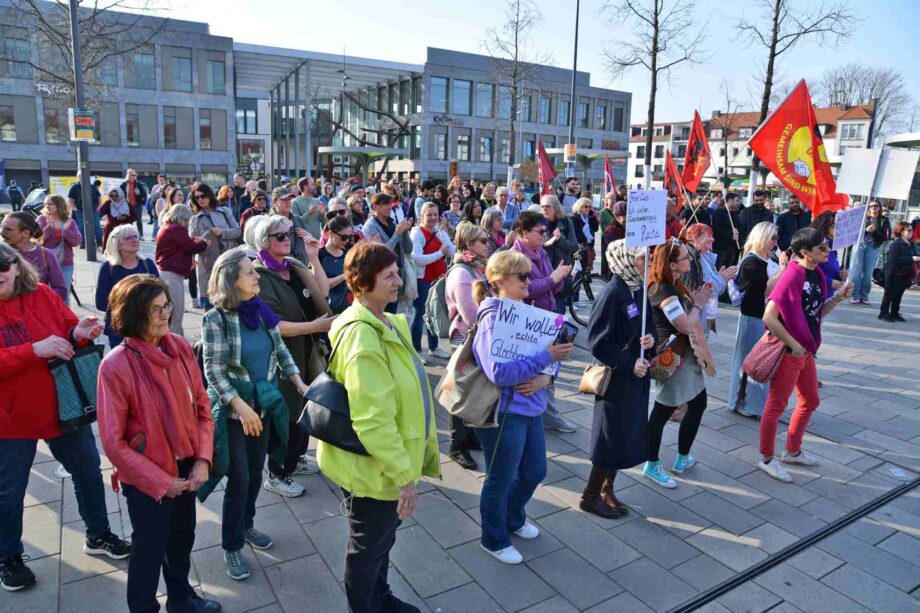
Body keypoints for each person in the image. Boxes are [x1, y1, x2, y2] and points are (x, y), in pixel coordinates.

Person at [0, 243, 131, 592]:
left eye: (2, 270)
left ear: (15, 265)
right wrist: (32, 351)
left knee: (88, 470)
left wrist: (80, 331)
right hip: (10, 419)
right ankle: (7, 556)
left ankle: (98, 534)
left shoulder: (41, 293)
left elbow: (68, 325)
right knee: (9, 491)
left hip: (64, 406)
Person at [319, 241, 439, 612]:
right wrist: (404, 475)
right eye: (387, 276)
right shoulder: (362, 334)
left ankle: (380, 597)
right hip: (376, 469)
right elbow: (372, 418)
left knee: (381, 540)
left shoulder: (385, 321)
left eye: (396, 272)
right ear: (362, 285)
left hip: (385, 462)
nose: (398, 281)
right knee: (367, 547)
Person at [97, 275, 220, 613]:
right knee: (149, 551)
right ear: (134, 313)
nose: (166, 313)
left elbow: (203, 407)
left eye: (167, 305)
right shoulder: (115, 365)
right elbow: (113, 441)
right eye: (155, 309)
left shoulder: (180, 347)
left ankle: (180, 600)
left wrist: (203, 460)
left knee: (182, 541)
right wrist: (161, 482)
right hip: (149, 478)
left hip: (186, 468)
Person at [202, 248, 308, 581]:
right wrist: (240, 405)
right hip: (236, 411)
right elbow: (214, 370)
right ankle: (231, 545)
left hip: (263, 406)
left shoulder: (260, 311)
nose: (257, 276)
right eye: (250, 272)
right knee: (240, 479)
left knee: (257, 474)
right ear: (232, 280)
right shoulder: (215, 318)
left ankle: (246, 525)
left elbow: (280, 351)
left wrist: (301, 385)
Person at [472, 250, 574, 564]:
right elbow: (499, 373)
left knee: (535, 470)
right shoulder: (492, 319)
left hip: (531, 407)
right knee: (500, 477)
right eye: (523, 277)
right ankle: (494, 537)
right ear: (500, 281)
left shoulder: (524, 312)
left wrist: (547, 376)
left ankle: (512, 518)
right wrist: (546, 360)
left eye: (529, 275)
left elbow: (549, 358)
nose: (530, 282)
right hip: (504, 411)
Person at [245, 215, 332, 497]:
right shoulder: (259, 275)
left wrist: (314, 258)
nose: (287, 240)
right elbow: (274, 325)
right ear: (264, 241)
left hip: (308, 349)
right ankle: (277, 473)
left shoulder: (292, 266)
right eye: (279, 236)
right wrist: (314, 326)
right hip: (284, 356)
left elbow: (322, 291)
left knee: (305, 408)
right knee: (288, 413)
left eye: (288, 235)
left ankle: (295, 459)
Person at [758, 228, 852, 483]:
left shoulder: (818, 274)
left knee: (810, 400)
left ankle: (792, 450)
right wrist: (793, 344)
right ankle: (767, 458)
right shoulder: (792, 276)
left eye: (826, 245)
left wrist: (838, 299)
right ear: (804, 252)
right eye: (821, 247)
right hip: (790, 351)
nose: (827, 250)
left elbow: (815, 313)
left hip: (806, 350)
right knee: (776, 405)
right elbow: (769, 317)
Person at [581, 241, 655, 518]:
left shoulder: (636, 288)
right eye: (639, 258)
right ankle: (590, 495)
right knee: (609, 437)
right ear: (624, 260)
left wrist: (651, 340)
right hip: (617, 378)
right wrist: (629, 362)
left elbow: (646, 326)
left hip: (635, 377)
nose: (645, 263)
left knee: (624, 434)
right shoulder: (612, 293)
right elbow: (597, 343)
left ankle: (606, 488)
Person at [643, 238, 713, 489]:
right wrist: (697, 305)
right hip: (673, 359)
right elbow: (684, 324)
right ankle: (651, 463)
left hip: (686, 356)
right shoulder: (663, 289)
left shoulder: (673, 285)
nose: (689, 260)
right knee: (662, 411)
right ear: (672, 264)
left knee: (698, 403)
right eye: (684, 257)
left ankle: (682, 457)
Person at [509, 211, 576, 434]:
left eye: (545, 231)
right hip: (529, 323)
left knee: (548, 367)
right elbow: (527, 290)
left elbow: (550, 285)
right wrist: (553, 279)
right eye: (540, 232)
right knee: (539, 367)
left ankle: (545, 414)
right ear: (523, 233)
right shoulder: (516, 256)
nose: (544, 235)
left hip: (546, 318)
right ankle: (547, 417)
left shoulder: (541, 252)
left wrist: (560, 278)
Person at [726, 222, 785, 418]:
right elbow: (764, 289)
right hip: (753, 317)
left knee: (761, 362)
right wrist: (783, 271)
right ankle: (742, 402)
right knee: (748, 362)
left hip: (769, 318)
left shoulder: (771, 258)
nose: (775, 242)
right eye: (772, 238)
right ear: (762, 238)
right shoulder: (751, 262)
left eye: (776, 239)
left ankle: (756, 404)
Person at [443, 223, 489, 469]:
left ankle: (468, 437)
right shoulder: (463, 273)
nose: (487, 244)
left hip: (474, 336)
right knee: (459, 392)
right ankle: (455, 445)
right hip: (465, 338)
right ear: (469, 244)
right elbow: (471, 315)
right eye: (482, 240)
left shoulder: (475, 267)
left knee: (469, 389)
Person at [97, 224, 159, 347]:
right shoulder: (108, 269)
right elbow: (101, 302)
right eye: (128, 238)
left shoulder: (148, 264)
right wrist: (132, 306)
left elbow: (161, 294)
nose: (135, 240)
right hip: (120, 330)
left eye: (136, 237)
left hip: (146, 327)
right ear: (118, 244)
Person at [409, 202, 455, 363]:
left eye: (435, 214)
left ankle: (433, 347)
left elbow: (452, 251)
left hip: (439, 279)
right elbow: (417, 259)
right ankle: (416, 351)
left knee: (434, 314)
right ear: (422, 216)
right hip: (423, 280)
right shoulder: (417, 233)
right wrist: (438, 254)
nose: (433, 218)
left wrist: (443, 234)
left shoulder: (438, 231)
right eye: (429, 214)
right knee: (419, 315)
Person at [156, 204, 208, 336]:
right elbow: (190, 247)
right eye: (186, 219)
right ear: (182, 217)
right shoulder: (176, 229)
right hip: (172, 275)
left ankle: (177, 342)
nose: (187, 223)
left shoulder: (167, 227)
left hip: (167, 273)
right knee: (175, 314)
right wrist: (204, 243)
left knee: (173, 313)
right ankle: (174, 345)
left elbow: (180, 246)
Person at [189, 182, 242, 309]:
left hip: (228, 259)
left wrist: (221, 232)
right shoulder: (194, 219)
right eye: (197, 197)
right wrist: (195, 241)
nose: (200, 199)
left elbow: (238, 231)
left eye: (203, 196)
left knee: (231, 300)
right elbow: (190, 242)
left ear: (210, 195)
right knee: (210, 302)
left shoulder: (224, 211)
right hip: (207, 263)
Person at [682, 223, 737, 335]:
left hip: (706, 315)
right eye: (708, 236)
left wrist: (721, 279)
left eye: (712, 236)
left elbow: (715, 290)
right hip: (696, 317)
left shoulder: (706, 257)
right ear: (696, 238)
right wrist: (721, 278)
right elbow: (697, 289)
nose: (712, 239)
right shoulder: (690, 259)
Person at [363, 193, 413, 313]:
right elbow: (381, 253)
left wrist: (405, 231)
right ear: (374, 207)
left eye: (390, 204)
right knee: (383, 314)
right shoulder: (370, 226)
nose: (389, 207)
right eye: (385, 204)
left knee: (392, 315)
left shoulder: (392, 223)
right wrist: (397, 234)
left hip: (396, 275)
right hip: (381, 279)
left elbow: (408, 249)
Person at [1, 212, 67, 301]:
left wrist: (37, 301)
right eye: (2, 228)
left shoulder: (46, 255)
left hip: (37, 312)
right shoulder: (2, 253)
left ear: (25, 233)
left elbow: (61, 291)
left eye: (8, 229)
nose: (2, 233)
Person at [36, 195, 82, 302]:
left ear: (59, 204)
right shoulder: (42, 219)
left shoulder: (69, 221)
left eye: (50, 203)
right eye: (46, 204)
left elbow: (77, 241)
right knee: (44, 295)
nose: (47, 206)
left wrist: (65, 230)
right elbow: (37, 240)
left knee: (63, 296)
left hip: (65, 263)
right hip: (44, 263)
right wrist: (48, 228)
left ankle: (64, 318)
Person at [538, 195, 579, 314]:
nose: (544, 209)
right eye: (542, 206)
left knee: (559, 314)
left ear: (555, 208)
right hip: (543, 273)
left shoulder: (566, 222)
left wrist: (560, 240)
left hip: (561, 275)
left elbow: (574, 246)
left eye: (547, 206)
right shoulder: (538, 223)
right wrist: (546, 243)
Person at [850, 201, 891, 305]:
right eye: (871, 206)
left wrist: (875, 231)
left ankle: (864, 295)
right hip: (860, 245)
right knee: (857, 271)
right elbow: (853, 231)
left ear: (879, 207)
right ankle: (855, 295)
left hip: (873, 246)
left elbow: (886, 235)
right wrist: (865, 230)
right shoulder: (862, 217)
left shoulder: (883, 220)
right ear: (868, 208)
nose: (873, 208)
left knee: (868, 273)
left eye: (876, 206)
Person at [879, 221, 920, 322]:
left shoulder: (911, 243)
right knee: (890, 294)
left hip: (905, 273)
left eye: (912, 230)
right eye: (908, 230)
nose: (911, 232)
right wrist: (911, 258)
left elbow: (915, 253)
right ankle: (883, 313)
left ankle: (894, 313)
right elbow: (894, 259)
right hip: (894, 273)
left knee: (899, 294)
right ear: (901, 231)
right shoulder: (896, 244)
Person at [319, 215, 355, 314]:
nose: (347, 240)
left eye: (349, 237)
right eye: (343, 237)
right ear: (330, 233)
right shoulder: (318, 255)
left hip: (348, 308)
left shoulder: (348, 254)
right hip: (326, 310)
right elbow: (319, 285)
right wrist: (345, 276)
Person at [812, 211, 847, 300]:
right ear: (825, 227)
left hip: (827, 294)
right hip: (815, 294)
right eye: (834, 226)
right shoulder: (817, 245)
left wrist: (840, 276)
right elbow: (809, 272)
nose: (839, 229)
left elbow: (830, 269)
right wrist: (830, 282)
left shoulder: (833, 246)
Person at [67, 178, 102, 248]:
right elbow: (70, 199)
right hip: (80, 210)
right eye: (80, 176)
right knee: (81, 226)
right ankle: (82, 242)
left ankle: (99, 241)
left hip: (93, 210)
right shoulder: (74, 188)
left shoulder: (92, 187)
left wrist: (98, 208)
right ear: (79, 178)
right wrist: (75, 209)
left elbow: (99, 198)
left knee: (96, 225)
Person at [570, 197, 600, 280]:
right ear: (579, 207)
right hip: (579, 249)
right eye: (586, 206)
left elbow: (596, 228)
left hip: (588, 248)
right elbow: (575, 235)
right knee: (578, 275)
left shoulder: (588, 218)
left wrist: (593, 215)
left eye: (590, 207)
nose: (588, 209)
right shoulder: (574, 218)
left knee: (585, 273)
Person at [100, 185, 137, 251]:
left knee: (124, 250)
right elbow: (101, 211)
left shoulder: (127, 204)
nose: (114, 197)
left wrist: (125, 218)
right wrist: (108, 201)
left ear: (120, 194)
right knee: (111, 250)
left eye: (116, 195)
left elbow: (135, 217)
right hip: (111, 229)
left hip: (124, 230)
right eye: (111, 196)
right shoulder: (109, 203)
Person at [712, 192, 742, 271]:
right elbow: (716, 229)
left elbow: (738, 227)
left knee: (730, 270)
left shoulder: (735, 213)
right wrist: (731, 234)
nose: (738, 203)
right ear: (730, 200)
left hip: (732, 248)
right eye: (736, 200)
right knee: (720, 270)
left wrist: (738, 233)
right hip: (721, 248)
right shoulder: (718, 212)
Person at [602, 200, 628, 280]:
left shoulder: (631, 226)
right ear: (615, 216)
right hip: (616, 268)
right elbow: (614, 249)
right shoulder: (610, 229)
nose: (625, 220)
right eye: (621, 216)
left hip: (630, 267)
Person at [121, 169, 148, 239]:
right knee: (129, 221)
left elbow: (144, 195)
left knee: (139, 220)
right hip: (127, 205)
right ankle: (129, 235)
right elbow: (119, 193)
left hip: (137, 205)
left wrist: (139, 193)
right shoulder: (124, 184)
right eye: (132, 175)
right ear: (128, 176)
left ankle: (141, 235)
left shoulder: (138, 184)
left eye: (135, 175)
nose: (134, 176)